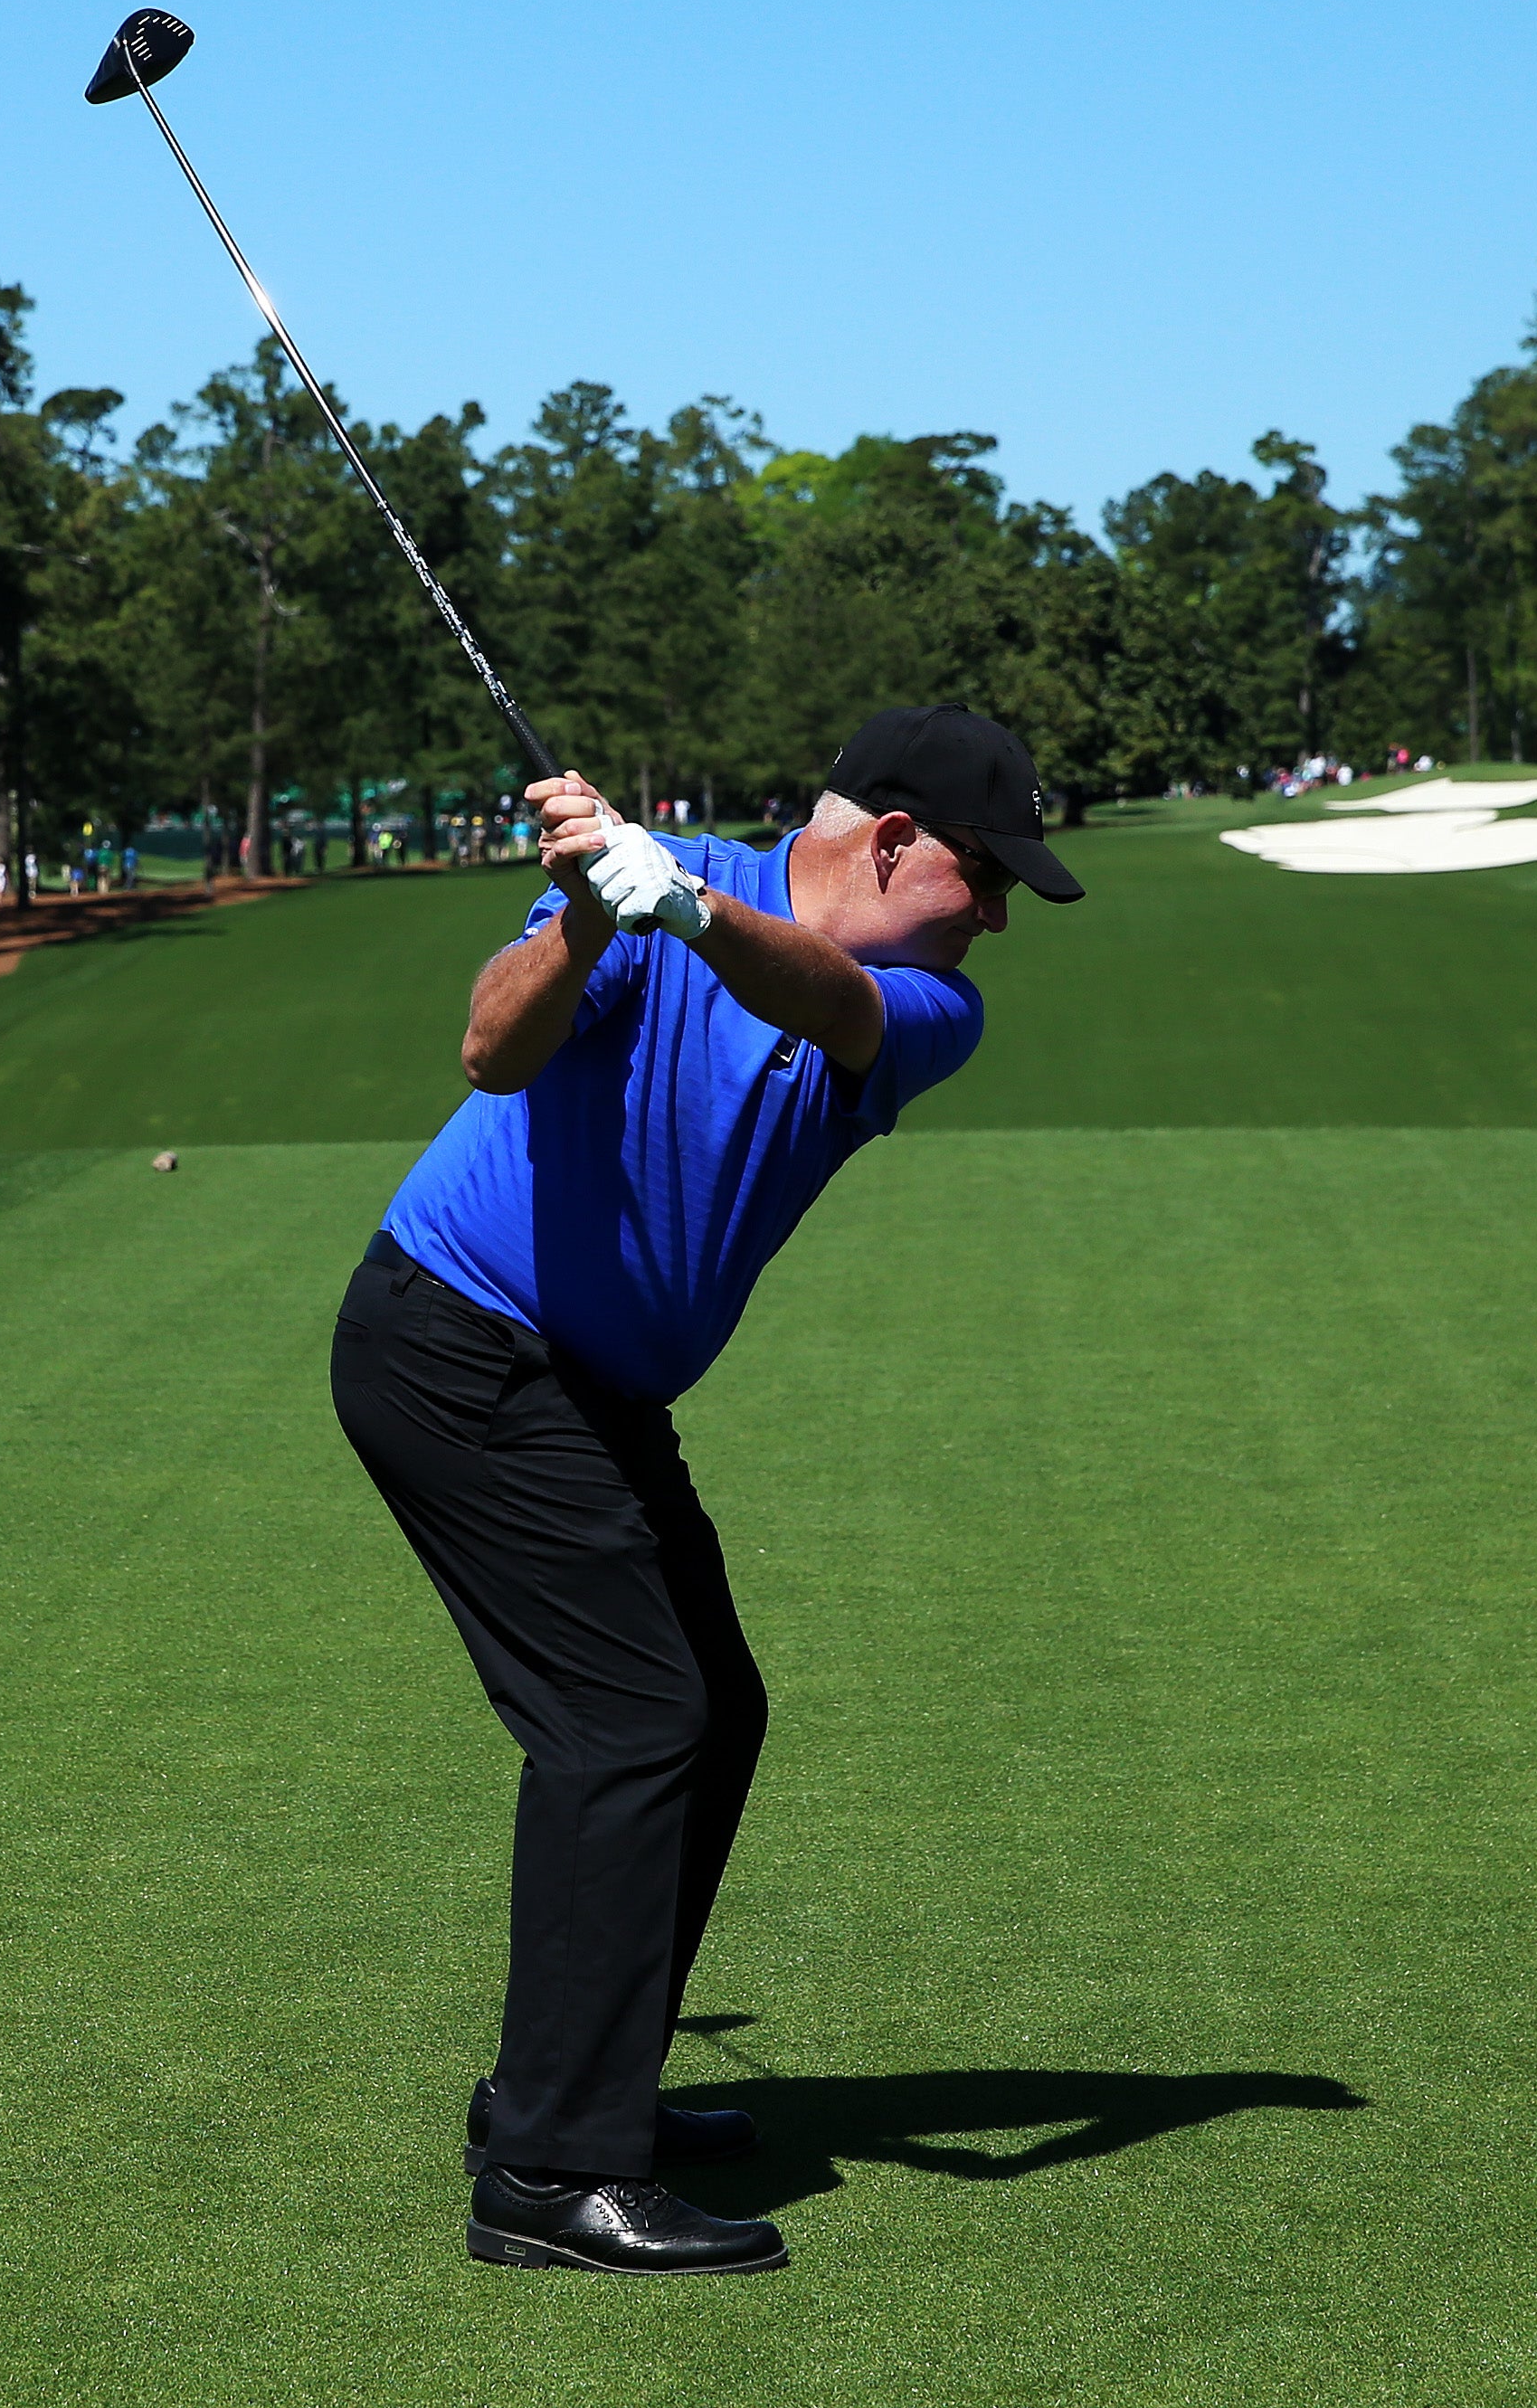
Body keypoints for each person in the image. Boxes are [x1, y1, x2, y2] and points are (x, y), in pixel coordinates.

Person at [337, 703, 1076, 2278]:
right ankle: (545, 2172)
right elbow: (491, 1044)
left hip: (587, 1388)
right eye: (986, 874)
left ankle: (576, 2085)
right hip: (457, 1343)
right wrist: (597, 909)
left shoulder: (928, 1002)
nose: (999, 912)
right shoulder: (640, 882)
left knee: (708, 1704)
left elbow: (827, 996)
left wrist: (679, 901)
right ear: (888, 839)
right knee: (628, 1719)